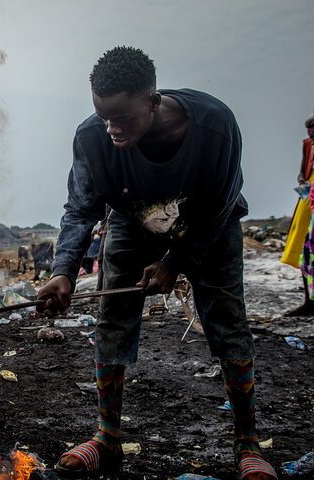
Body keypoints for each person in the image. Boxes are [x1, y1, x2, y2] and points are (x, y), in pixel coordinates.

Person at [37, 47, 277, 479]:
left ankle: (248, 444)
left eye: (123, 118)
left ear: (153, 101)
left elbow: (221, 201)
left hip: (209, 224)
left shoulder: (214, 124)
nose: (112, 128)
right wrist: (62, 272)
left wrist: (176, 262)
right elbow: (80, 208)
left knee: (227, 322)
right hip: (134, 220)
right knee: (112, 320)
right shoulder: (92, 137)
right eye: (103, 116)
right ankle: (107, 439)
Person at [281, 115, 314, 316]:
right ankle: (310, 302)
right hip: (308, 198)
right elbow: (303, 171)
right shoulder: (308, 145)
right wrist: (301, 178)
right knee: (306, 249)